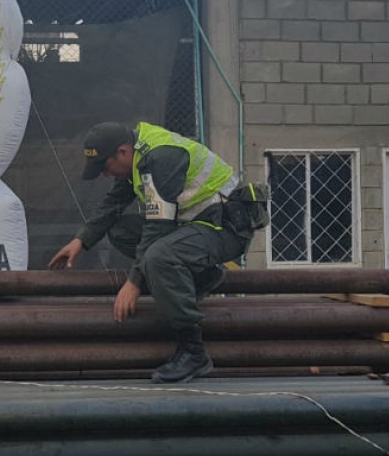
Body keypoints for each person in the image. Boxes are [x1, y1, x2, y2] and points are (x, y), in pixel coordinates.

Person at [49, 121, 254, 383]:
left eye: (105, 166)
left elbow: (158, 227)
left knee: (160, 256)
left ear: (122, 152)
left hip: (226, 227)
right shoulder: (137, 157)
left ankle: (193, 352)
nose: (105, 174)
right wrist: (81, 240)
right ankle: (202, 276)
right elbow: (114, 203)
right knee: (122, 231)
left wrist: (134, 282)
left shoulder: (160, 158)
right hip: (195, 226)